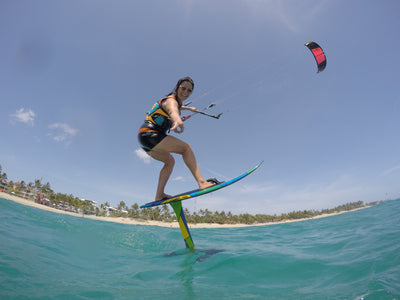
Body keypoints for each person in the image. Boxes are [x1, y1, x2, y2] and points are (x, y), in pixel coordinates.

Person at [138, 76, 215, 202]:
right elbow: (173, 110)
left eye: (189, 91)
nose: (185, 92)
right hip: (150, 134)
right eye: (183, 88)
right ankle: (202, 183)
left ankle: (159, 194)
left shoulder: (176, 102)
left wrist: (190, 108)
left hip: (144, 140)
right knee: (186, 148)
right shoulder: (170, 101)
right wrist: (177, 119)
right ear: (177, 87)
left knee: (170, 161)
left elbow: (178, 107)